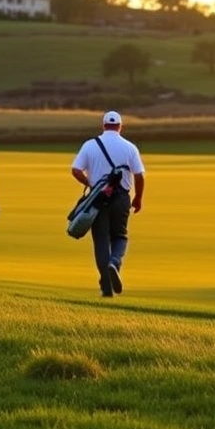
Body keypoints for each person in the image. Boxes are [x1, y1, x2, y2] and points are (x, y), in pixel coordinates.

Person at [71, 110, 146, 297]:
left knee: (101, 241)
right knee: (120, 236)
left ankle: (106, 288)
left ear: (103, 125)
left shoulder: (90, 145)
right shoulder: (130, 147)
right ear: (120, 126)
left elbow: (76, 170)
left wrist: (90, 183)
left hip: (98, 198)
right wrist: (138, 198)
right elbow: (139, 175)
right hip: (121, 198)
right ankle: (115, 263)